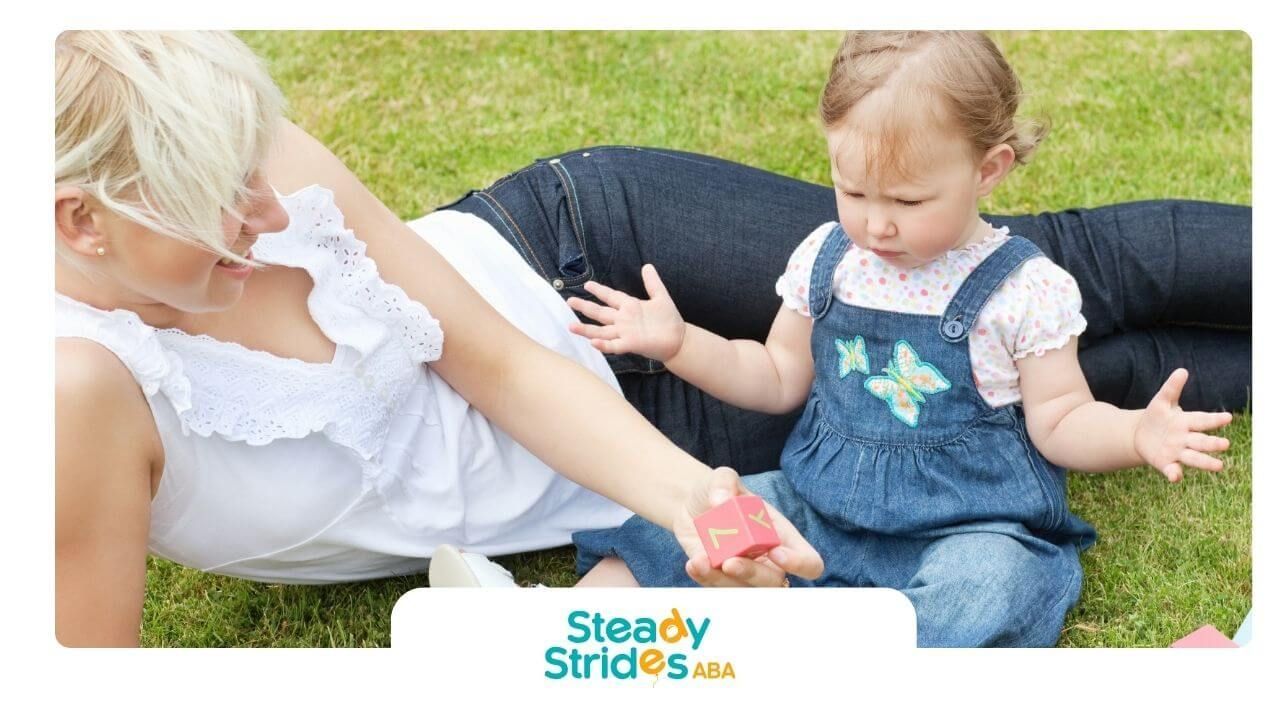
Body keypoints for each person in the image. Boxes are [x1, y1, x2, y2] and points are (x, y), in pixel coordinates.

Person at [54, 31, 824, 648]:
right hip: (640, 441)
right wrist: (696, 505)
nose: (275, 214)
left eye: (251, 170)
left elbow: (504, 365)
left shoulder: (246, 154)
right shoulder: (75, 390)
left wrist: (695, 502)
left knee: (936, 271)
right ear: (81, 221)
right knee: (920, 440)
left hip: (582, 256)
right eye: (222, 197)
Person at [563, 31, 1236, 647]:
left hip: (966, 531)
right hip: (815, 511)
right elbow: (772, 374)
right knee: (685, 524)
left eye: (908, 201)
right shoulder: (829, 257)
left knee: (991, 587)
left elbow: (1061, 420)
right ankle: (546, 624)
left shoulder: (1022, 288)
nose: (876, 225)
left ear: (989, 169)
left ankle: (862, 655)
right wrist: (680, 343)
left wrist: (1134, 434)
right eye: (853, 191)